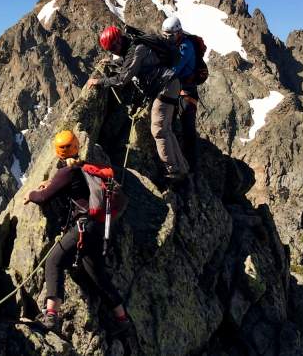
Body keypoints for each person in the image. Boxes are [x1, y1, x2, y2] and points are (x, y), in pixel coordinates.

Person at [23, 130, 131, 335]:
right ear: (77, 146)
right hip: (98, 228)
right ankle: (122, 319)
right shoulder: (84, 168)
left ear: (57, 152)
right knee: (98, 276)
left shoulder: (67, 172)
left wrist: (31, 193)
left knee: (54, 261)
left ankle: (51, 317)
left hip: (83, 227)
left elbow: (44, 197)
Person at [87, 25, 189, 181]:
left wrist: (100, 81)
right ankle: (182, 167)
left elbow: (123, 79)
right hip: (170, 84)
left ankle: (173, 170)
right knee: (167, 129)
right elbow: (129, 63)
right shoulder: (133, 47)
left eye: (113, 49)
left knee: (159, 130)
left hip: (165, 86)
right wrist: (113, 62)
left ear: (117, 42)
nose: (113, 52)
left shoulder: (137, 49)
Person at [161, 17, 201, 172]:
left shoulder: (186, 47)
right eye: (165, 35)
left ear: (178, 33)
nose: (167, 38)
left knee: (188, 128)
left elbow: (175, 70)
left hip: (187, 91)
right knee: (174, 124)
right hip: (178, 89)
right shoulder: (176, 44)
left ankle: (191, 165)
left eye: (170, 35)